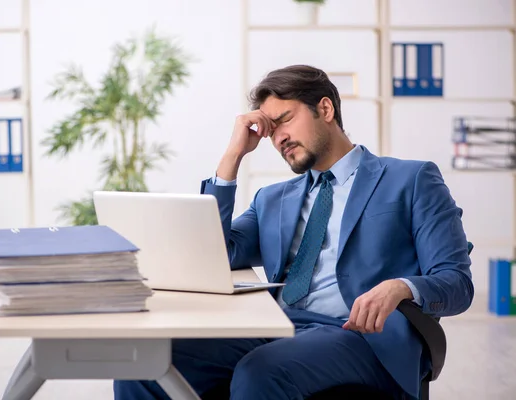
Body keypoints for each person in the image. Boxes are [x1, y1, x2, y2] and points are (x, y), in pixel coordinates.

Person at [113, 65, 474, 400]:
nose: (278, 138)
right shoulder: (273, 199)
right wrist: (232, 157)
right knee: (143, 364)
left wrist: (400, 287)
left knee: (261, 372)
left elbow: (456, 282)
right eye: (270, 130)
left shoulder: (410, 179)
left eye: (284, 120)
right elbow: (214, 253)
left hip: (361, 336)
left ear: (326, 109)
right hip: (277, 327)